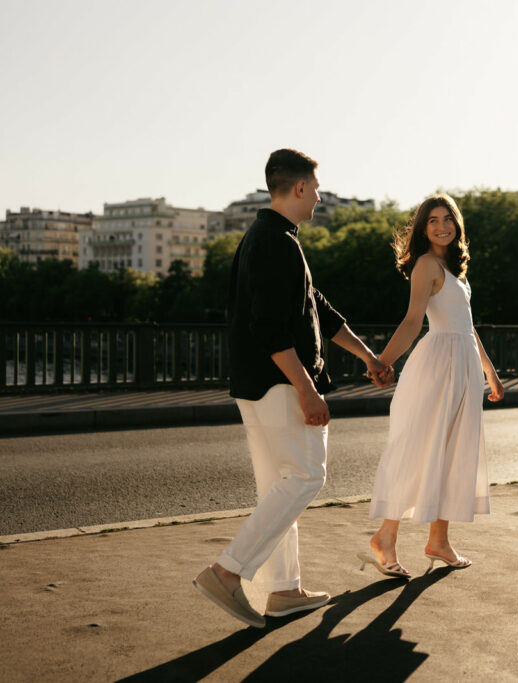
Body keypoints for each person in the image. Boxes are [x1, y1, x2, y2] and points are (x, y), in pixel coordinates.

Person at [194, 149, 393, 627]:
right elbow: (270, 329)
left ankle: (284, 590)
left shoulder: (269, 239)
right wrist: (306, 388)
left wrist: (368, 356)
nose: (320, 199)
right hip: (280, 384)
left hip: (257, 384)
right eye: (317, 189)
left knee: (277, 488)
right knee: (306, 476)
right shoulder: (274, 243)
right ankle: (227, 572)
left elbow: (317, 309)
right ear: (300, 187)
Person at [358, 193, 504, 579]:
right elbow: (411, 320)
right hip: (438, 365)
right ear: (424, 229)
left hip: (465, 366)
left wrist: (488, 371)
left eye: (448, 219)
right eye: (433, 221)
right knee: (420, 448)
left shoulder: (455, 269)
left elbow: (467, 325)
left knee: (455, 453)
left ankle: (438, 541)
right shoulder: (425, 264)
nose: (442, 226)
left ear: (457, 224)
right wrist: (382, 361)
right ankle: (385, 537)